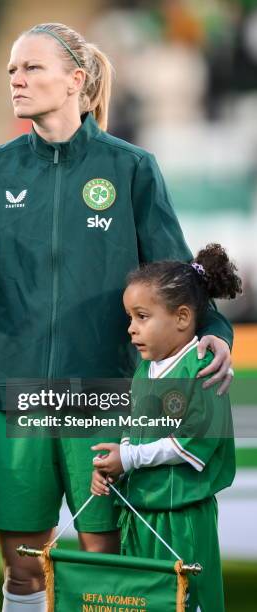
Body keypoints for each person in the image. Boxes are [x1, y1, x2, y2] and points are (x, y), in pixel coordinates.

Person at [0, 23, 235, 612]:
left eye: (31, 68)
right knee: (25, 569)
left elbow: (174, 275)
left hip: (104, 393)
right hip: (16, 394)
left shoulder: (132, 168)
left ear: (76, 80)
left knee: (105, 566)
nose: (17, 81)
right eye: (10, 71)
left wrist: (214, 333)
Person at [91, 243, 241, 611]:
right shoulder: (146, 368)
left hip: (183, 516)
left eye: (142, 316)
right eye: (130, 317)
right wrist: (113, 467)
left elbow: (188, 443)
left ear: (182, 317)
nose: (131, 328)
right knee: (143, 603)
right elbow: (137, 427)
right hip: (140, 512)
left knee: (187, 602)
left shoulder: (202, 368)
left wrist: (128, 458)